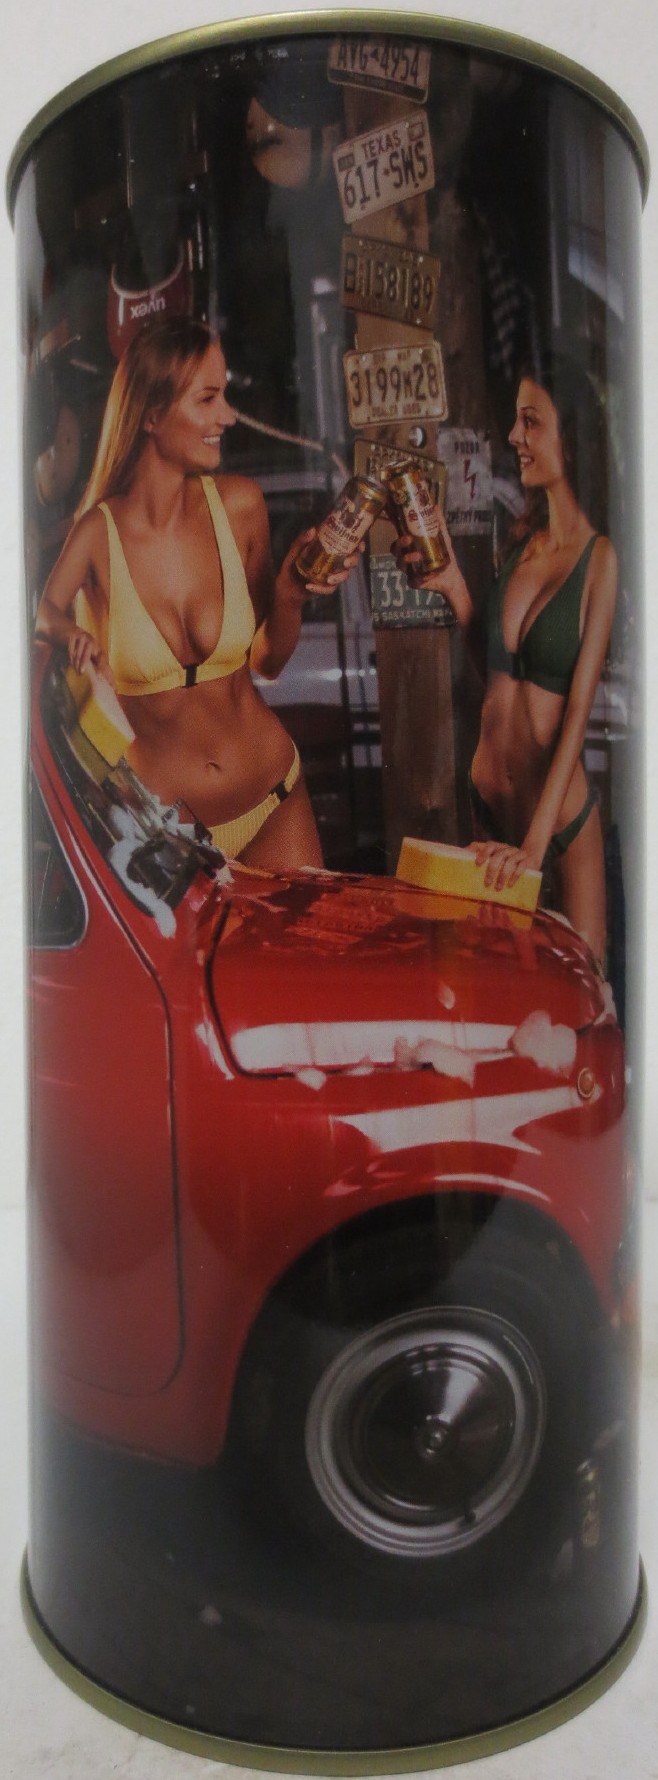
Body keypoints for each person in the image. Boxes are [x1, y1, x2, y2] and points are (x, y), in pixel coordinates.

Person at [35, 317, 354, 869]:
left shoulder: (240, 506)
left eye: (224, 396)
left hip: (274, 799)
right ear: (151, 415)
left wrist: (289, 597)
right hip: (168, 839)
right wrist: (70, 634)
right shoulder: (98, 533)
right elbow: (42, 612)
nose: (227, 416)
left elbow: (268, 662)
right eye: (208, 399)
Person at [393, 357, 618, 964]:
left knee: (586, 989)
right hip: (491, 805)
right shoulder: (522, 544)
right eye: (515, 422)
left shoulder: (599, 559)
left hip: (557, 823)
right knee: (499, 986)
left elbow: (577, 713)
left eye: (531, 422)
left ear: (571, 438)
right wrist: (452, 586)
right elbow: (498, 678)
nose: (515, 436)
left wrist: (537, 846)